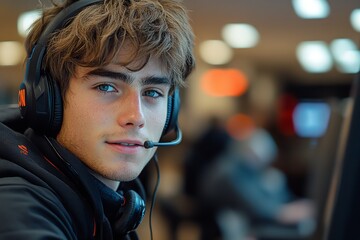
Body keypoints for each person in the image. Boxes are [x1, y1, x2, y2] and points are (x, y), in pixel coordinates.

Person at [0, 0, 195, 239]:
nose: (136, 117)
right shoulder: (17, 206)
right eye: (106, 87)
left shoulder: (106, 207)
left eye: (153, 92)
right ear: (47, 100)